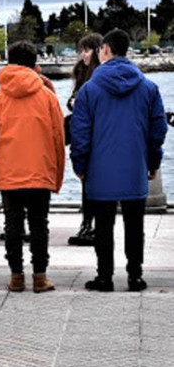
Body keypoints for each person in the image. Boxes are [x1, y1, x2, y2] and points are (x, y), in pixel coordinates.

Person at [71, 29, 167, 292]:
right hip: (135, 167)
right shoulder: (148, 87)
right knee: (134, 226)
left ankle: (105, 277)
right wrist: (153, 162)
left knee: (103, 227)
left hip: (100, 170)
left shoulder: (89, 90)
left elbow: (80, 132)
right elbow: (157, 130)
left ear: (105, 50)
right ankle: (135, 276)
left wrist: (80, 165)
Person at [0, 41, 65, 293]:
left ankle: (16, 277)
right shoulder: (48, 97)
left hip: (8, 173)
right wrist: (57, 176)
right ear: (34, 63)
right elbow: (59, 139)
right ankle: (40, 277)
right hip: (40, 171)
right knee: (40, 224)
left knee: (12, 225)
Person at [66, 33, 103, 246]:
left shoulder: (99, 76)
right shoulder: (81, 73)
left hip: (96, 135)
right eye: (82, 50)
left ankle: (91, 225)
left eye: (87, 50)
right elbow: (73, 100)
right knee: (87, 181)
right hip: (83, 134)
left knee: (92, 181)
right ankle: (87, 223)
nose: (83, 54)